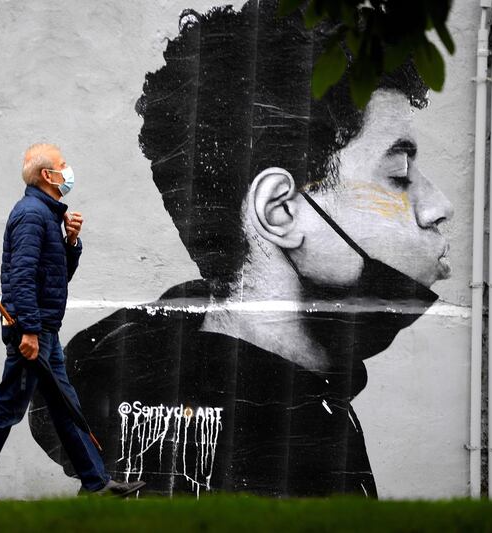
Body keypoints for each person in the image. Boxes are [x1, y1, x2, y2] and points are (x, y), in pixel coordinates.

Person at [30, 1, 453, 497]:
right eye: (398, 175)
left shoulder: (172, 377)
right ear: (279, 211)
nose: (438, 206)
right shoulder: (273, 437)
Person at [0, 143, 145, 499]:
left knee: (64, 404)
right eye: (63, 164)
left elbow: (55, 278)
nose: (68, 169)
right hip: (33, 331)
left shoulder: (46, 215)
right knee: (9, 406)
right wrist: (28, 330)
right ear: (48, 175)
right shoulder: (31, 215)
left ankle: (95, 483)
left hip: (44, 330)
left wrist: (71, 241)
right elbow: (22, 277)